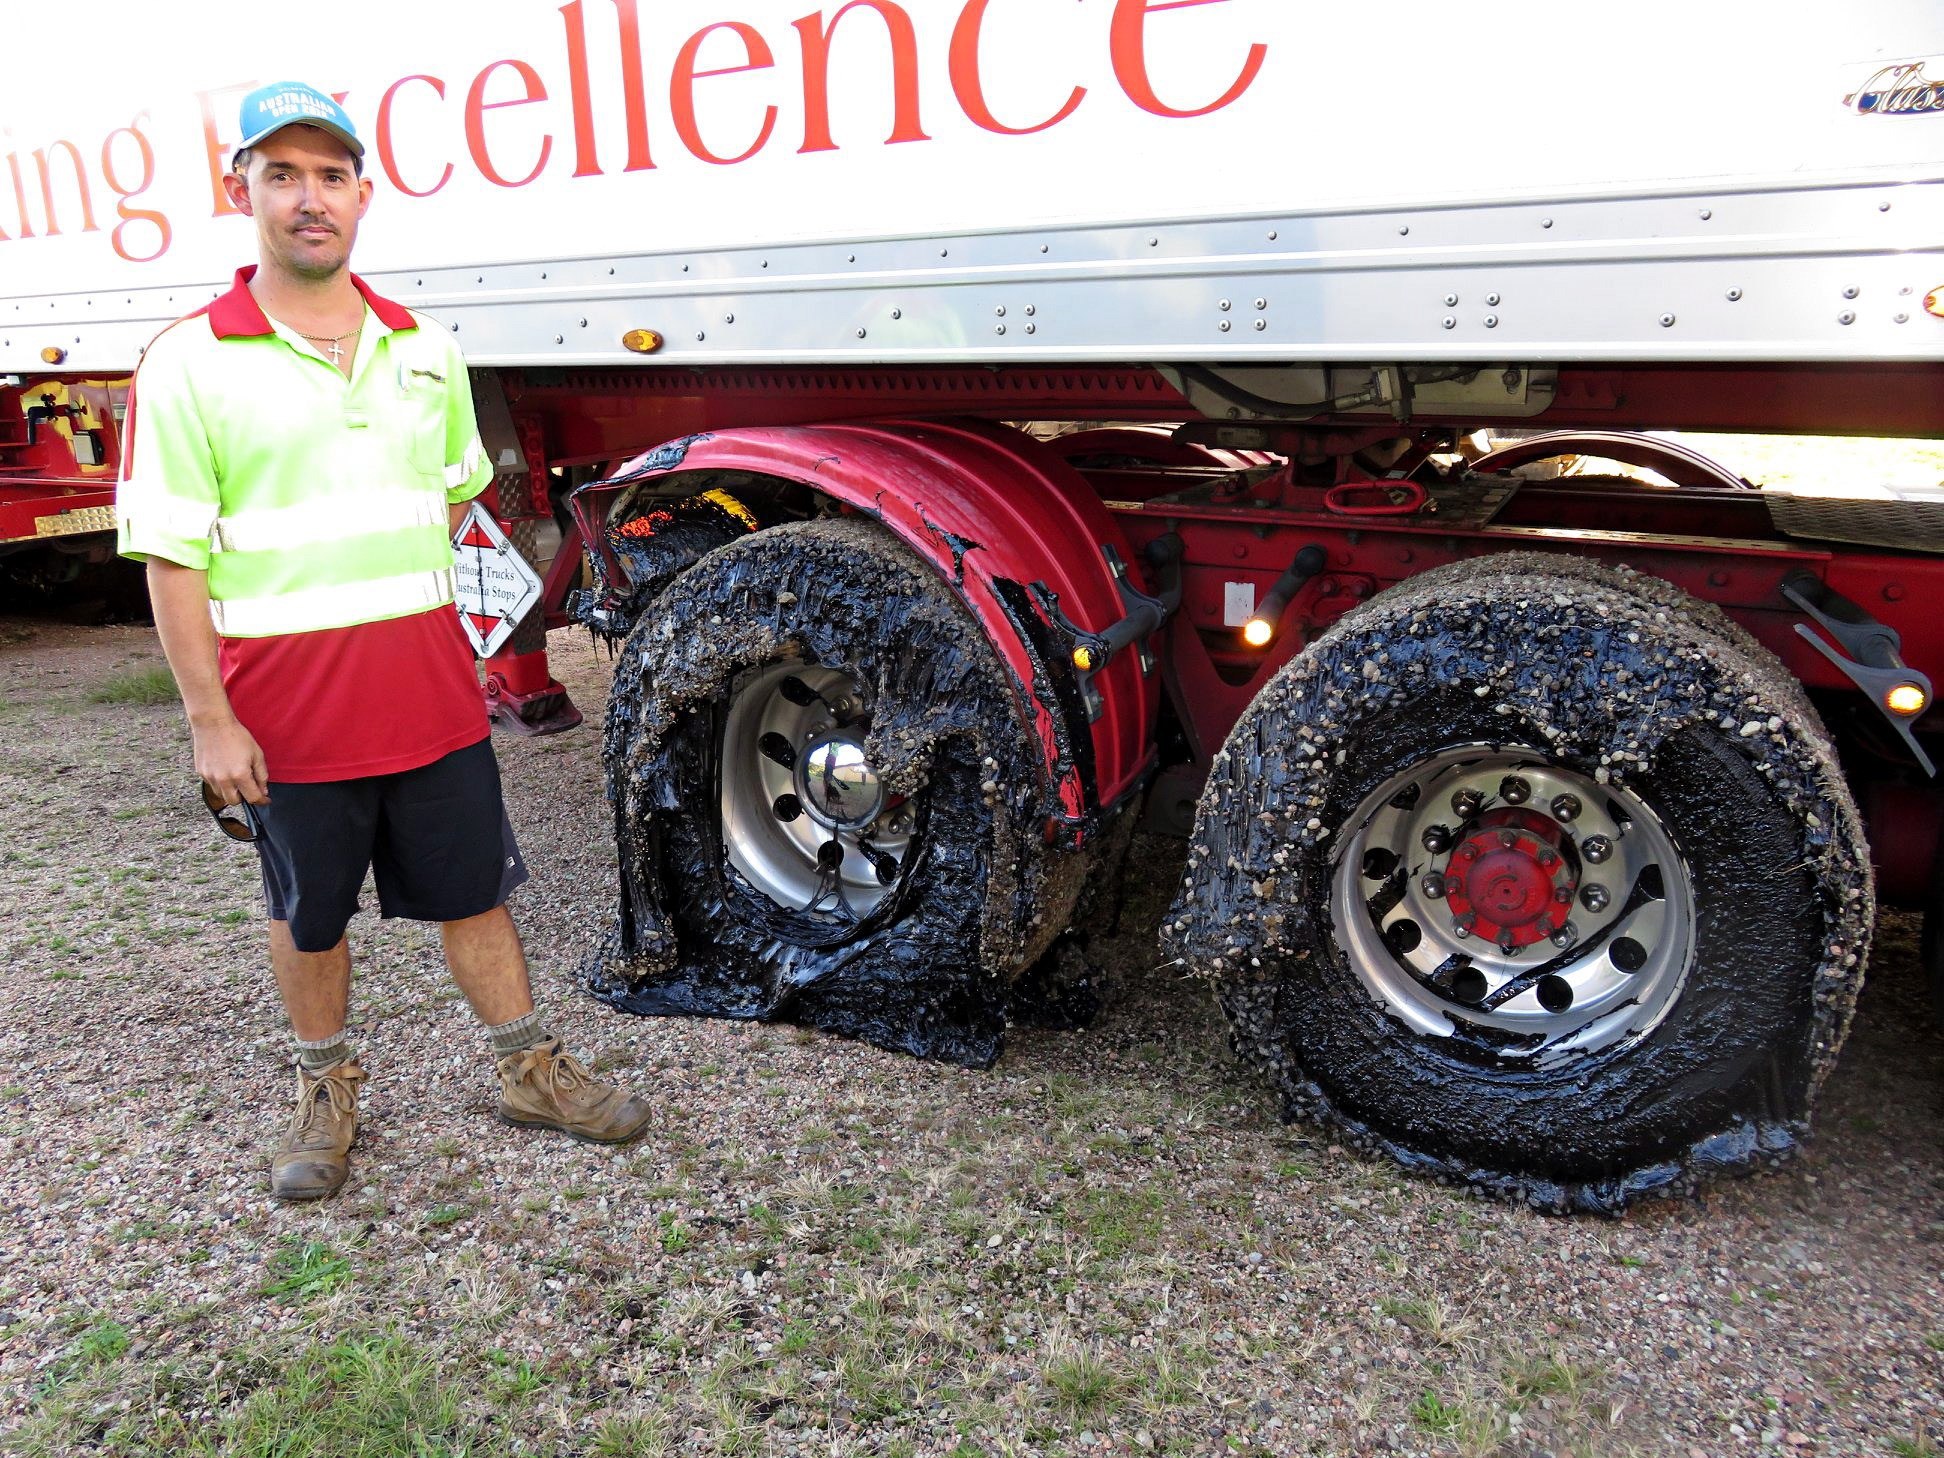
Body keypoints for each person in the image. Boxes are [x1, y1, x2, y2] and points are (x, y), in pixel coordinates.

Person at [116, 82, 650, 1202]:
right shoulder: (190, 362)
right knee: (307, 916)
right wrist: (210, 721)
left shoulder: (425, 351)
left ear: (363, 191)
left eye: (330, 175)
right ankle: (324, 1090)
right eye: (283, 175)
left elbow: (457, 512)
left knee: (476, 894)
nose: (310, 199)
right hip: (287, 713)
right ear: (242, 191)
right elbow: (173, 559)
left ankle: (527, 1070)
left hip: (429, 697)